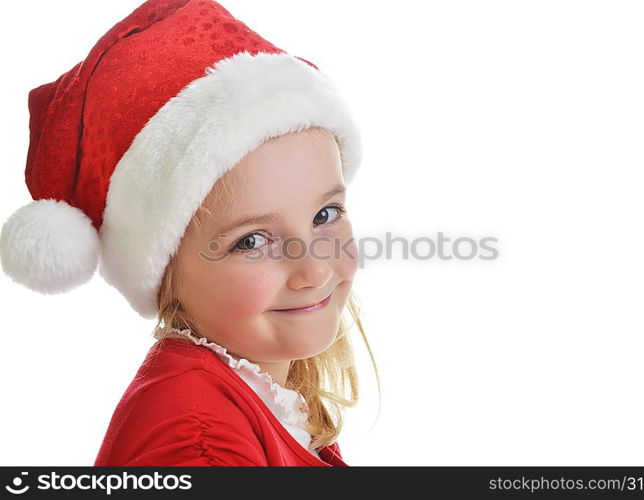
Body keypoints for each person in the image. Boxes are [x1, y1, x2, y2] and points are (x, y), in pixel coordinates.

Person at [0, 0, 378, 466]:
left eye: (325, 215)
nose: (314, 269)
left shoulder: (263, 393)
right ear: (166, 273)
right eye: (252, 241)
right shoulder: (198, 443)